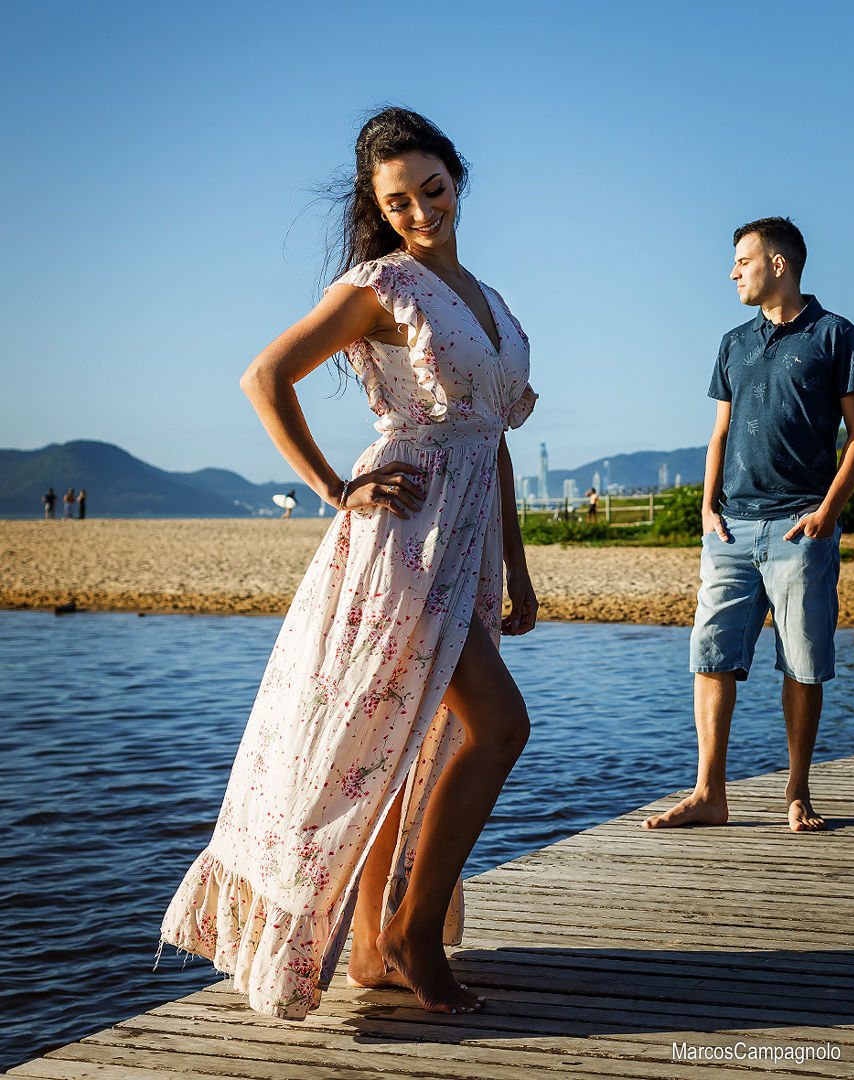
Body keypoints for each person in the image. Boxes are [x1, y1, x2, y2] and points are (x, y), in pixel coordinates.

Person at [159, 108, 537, 1020]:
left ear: (459, 179)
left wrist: (518, 568)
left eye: (433, 189)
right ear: (379, 206)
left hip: (468, 538)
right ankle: (410, 932)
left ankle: (372, 948)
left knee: (403, 747)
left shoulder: (489, 297)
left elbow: (491, 442)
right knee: (499, 725)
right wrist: (337, 488)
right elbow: (265, 375)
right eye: (397, 200)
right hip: (400, 544)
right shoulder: (381, 284)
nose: (420, 211)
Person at [644, 216, 854, 835]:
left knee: (801, 661)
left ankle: (797, 792)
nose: (732, 272)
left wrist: (827, 512)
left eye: (742, 261)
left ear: (778, 264)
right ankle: (708, 794)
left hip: (802, 526)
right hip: (730, 530)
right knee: (710, 656)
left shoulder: (836, 336)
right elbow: (719, 432)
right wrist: (706, 506)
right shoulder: (732, 343)